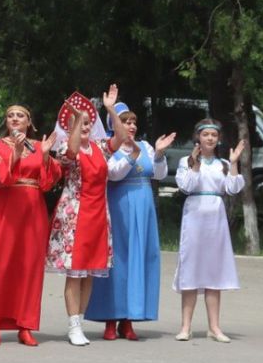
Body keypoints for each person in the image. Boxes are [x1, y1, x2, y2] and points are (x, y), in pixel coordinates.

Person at [85, 102, 175, 341]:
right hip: (119, 206)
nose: (131, 126)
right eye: (125, 122)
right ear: (114, 125)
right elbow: (113, 173)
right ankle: (109, 319)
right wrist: (129, 154)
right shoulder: (110, 147)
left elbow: (158, 174)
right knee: (118, 261)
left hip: (143, 206)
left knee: (141, 258)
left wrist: (158, 154)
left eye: (133, 122)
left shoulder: (144, 145)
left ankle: (129, 318)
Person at [46, 86, 126, 346]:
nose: (84, 126)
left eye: (88, 122)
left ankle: (79, 319)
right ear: (68, 127)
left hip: (99, 215)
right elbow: (70, 153)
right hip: (74, 216)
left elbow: (121, 137)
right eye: (79, 122)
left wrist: (111, 110)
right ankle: (72, 325)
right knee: (75, 272)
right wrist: (77, 118)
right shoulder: (65, 149)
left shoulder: (100, 147)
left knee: (90, 272)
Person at [0, 104, 60, 346]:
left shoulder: (38, 146)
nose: (15, 119)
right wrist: (14, 153)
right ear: (6, 121)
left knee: (29, 266)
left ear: (29, 122)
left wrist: (46, 155)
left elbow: (48, 183)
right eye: (10, 115)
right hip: (6, 209)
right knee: (0, 263)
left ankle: (25, 325)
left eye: (20, 115)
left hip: (33, 210)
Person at [173, 118, 245, 343]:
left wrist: (233, 163)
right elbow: (186, 186)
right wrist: (195, 165)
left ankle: (214, 326)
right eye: (206, 135)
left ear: (219, 139)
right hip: (195, 214)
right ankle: (186, 326)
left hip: (215, 217)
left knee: (214, 271)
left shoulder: (222, 163)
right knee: (191, 269)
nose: (210, 138)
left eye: (214, 135)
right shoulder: (187, 160)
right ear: (198, 137)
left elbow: (232, 189)